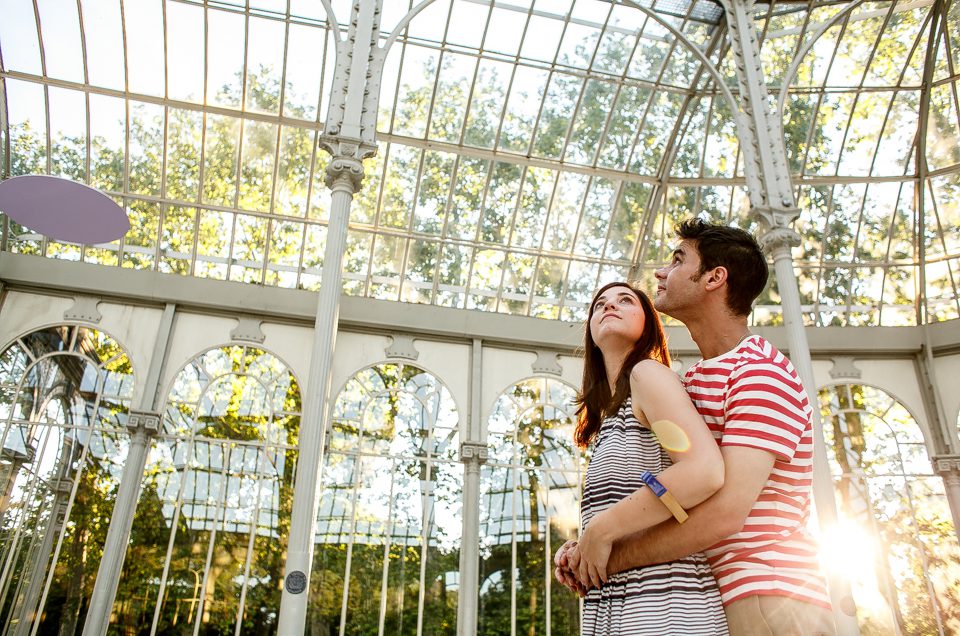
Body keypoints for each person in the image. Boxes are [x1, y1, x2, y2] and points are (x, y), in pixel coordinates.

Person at [556, 219, 837, 636]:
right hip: (715, 595)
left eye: (677, 260)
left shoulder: (760, 373)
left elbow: (724, 512)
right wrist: (589, 545)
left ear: (714, 278)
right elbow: (662, 488)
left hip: (770, 595)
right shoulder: (692, 381)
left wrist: (605, 552)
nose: (660, 273)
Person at [570, 280, 728, 635]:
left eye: (625, 300)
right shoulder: (608, 419)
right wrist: (582, 547)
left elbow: (704, 470)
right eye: (600, 304)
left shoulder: (647, 374)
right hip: (619, 605)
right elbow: (634, 506)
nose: (609, 306)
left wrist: (602, 528)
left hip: (667, 606)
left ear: (649, 326)